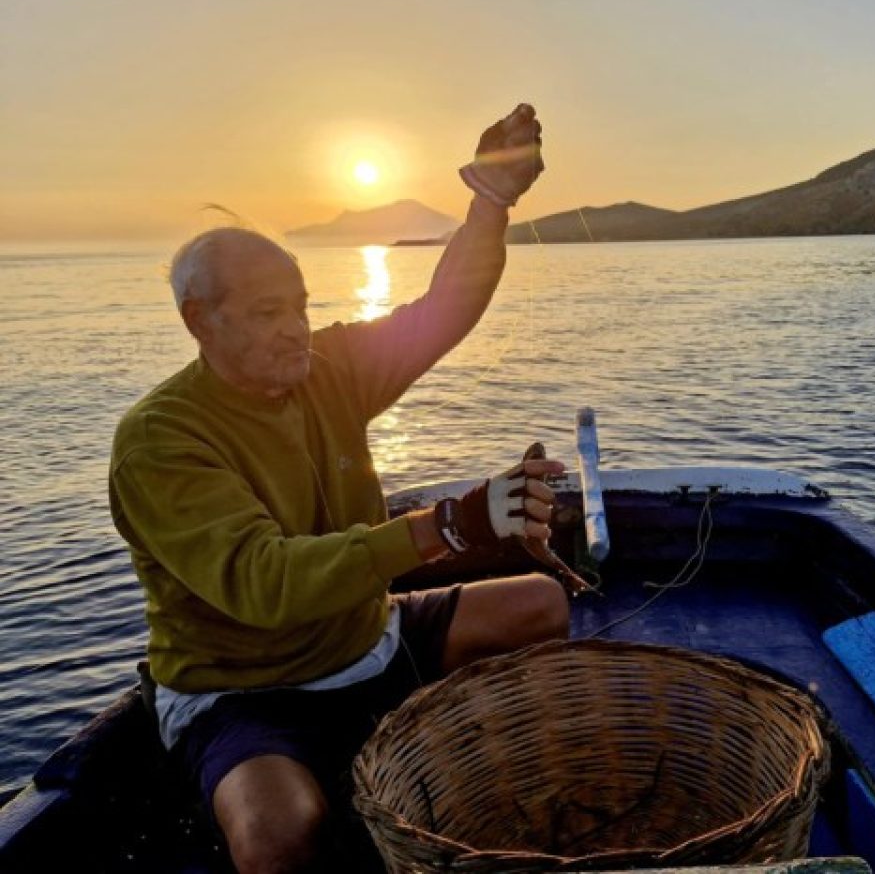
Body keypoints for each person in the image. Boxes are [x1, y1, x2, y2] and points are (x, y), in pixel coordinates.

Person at [109, 105, 567, 873]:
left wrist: (490, 201)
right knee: (277, 833)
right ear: (199, 322)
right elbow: (267, 584)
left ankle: (423, 749)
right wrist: (450, 526)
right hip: (243, 687)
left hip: (366, 637)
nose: (295, 329)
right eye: (267, 313)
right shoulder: (160, 441)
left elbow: (443, 312)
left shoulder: (329, 370)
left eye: (301, 306)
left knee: (542, 605)